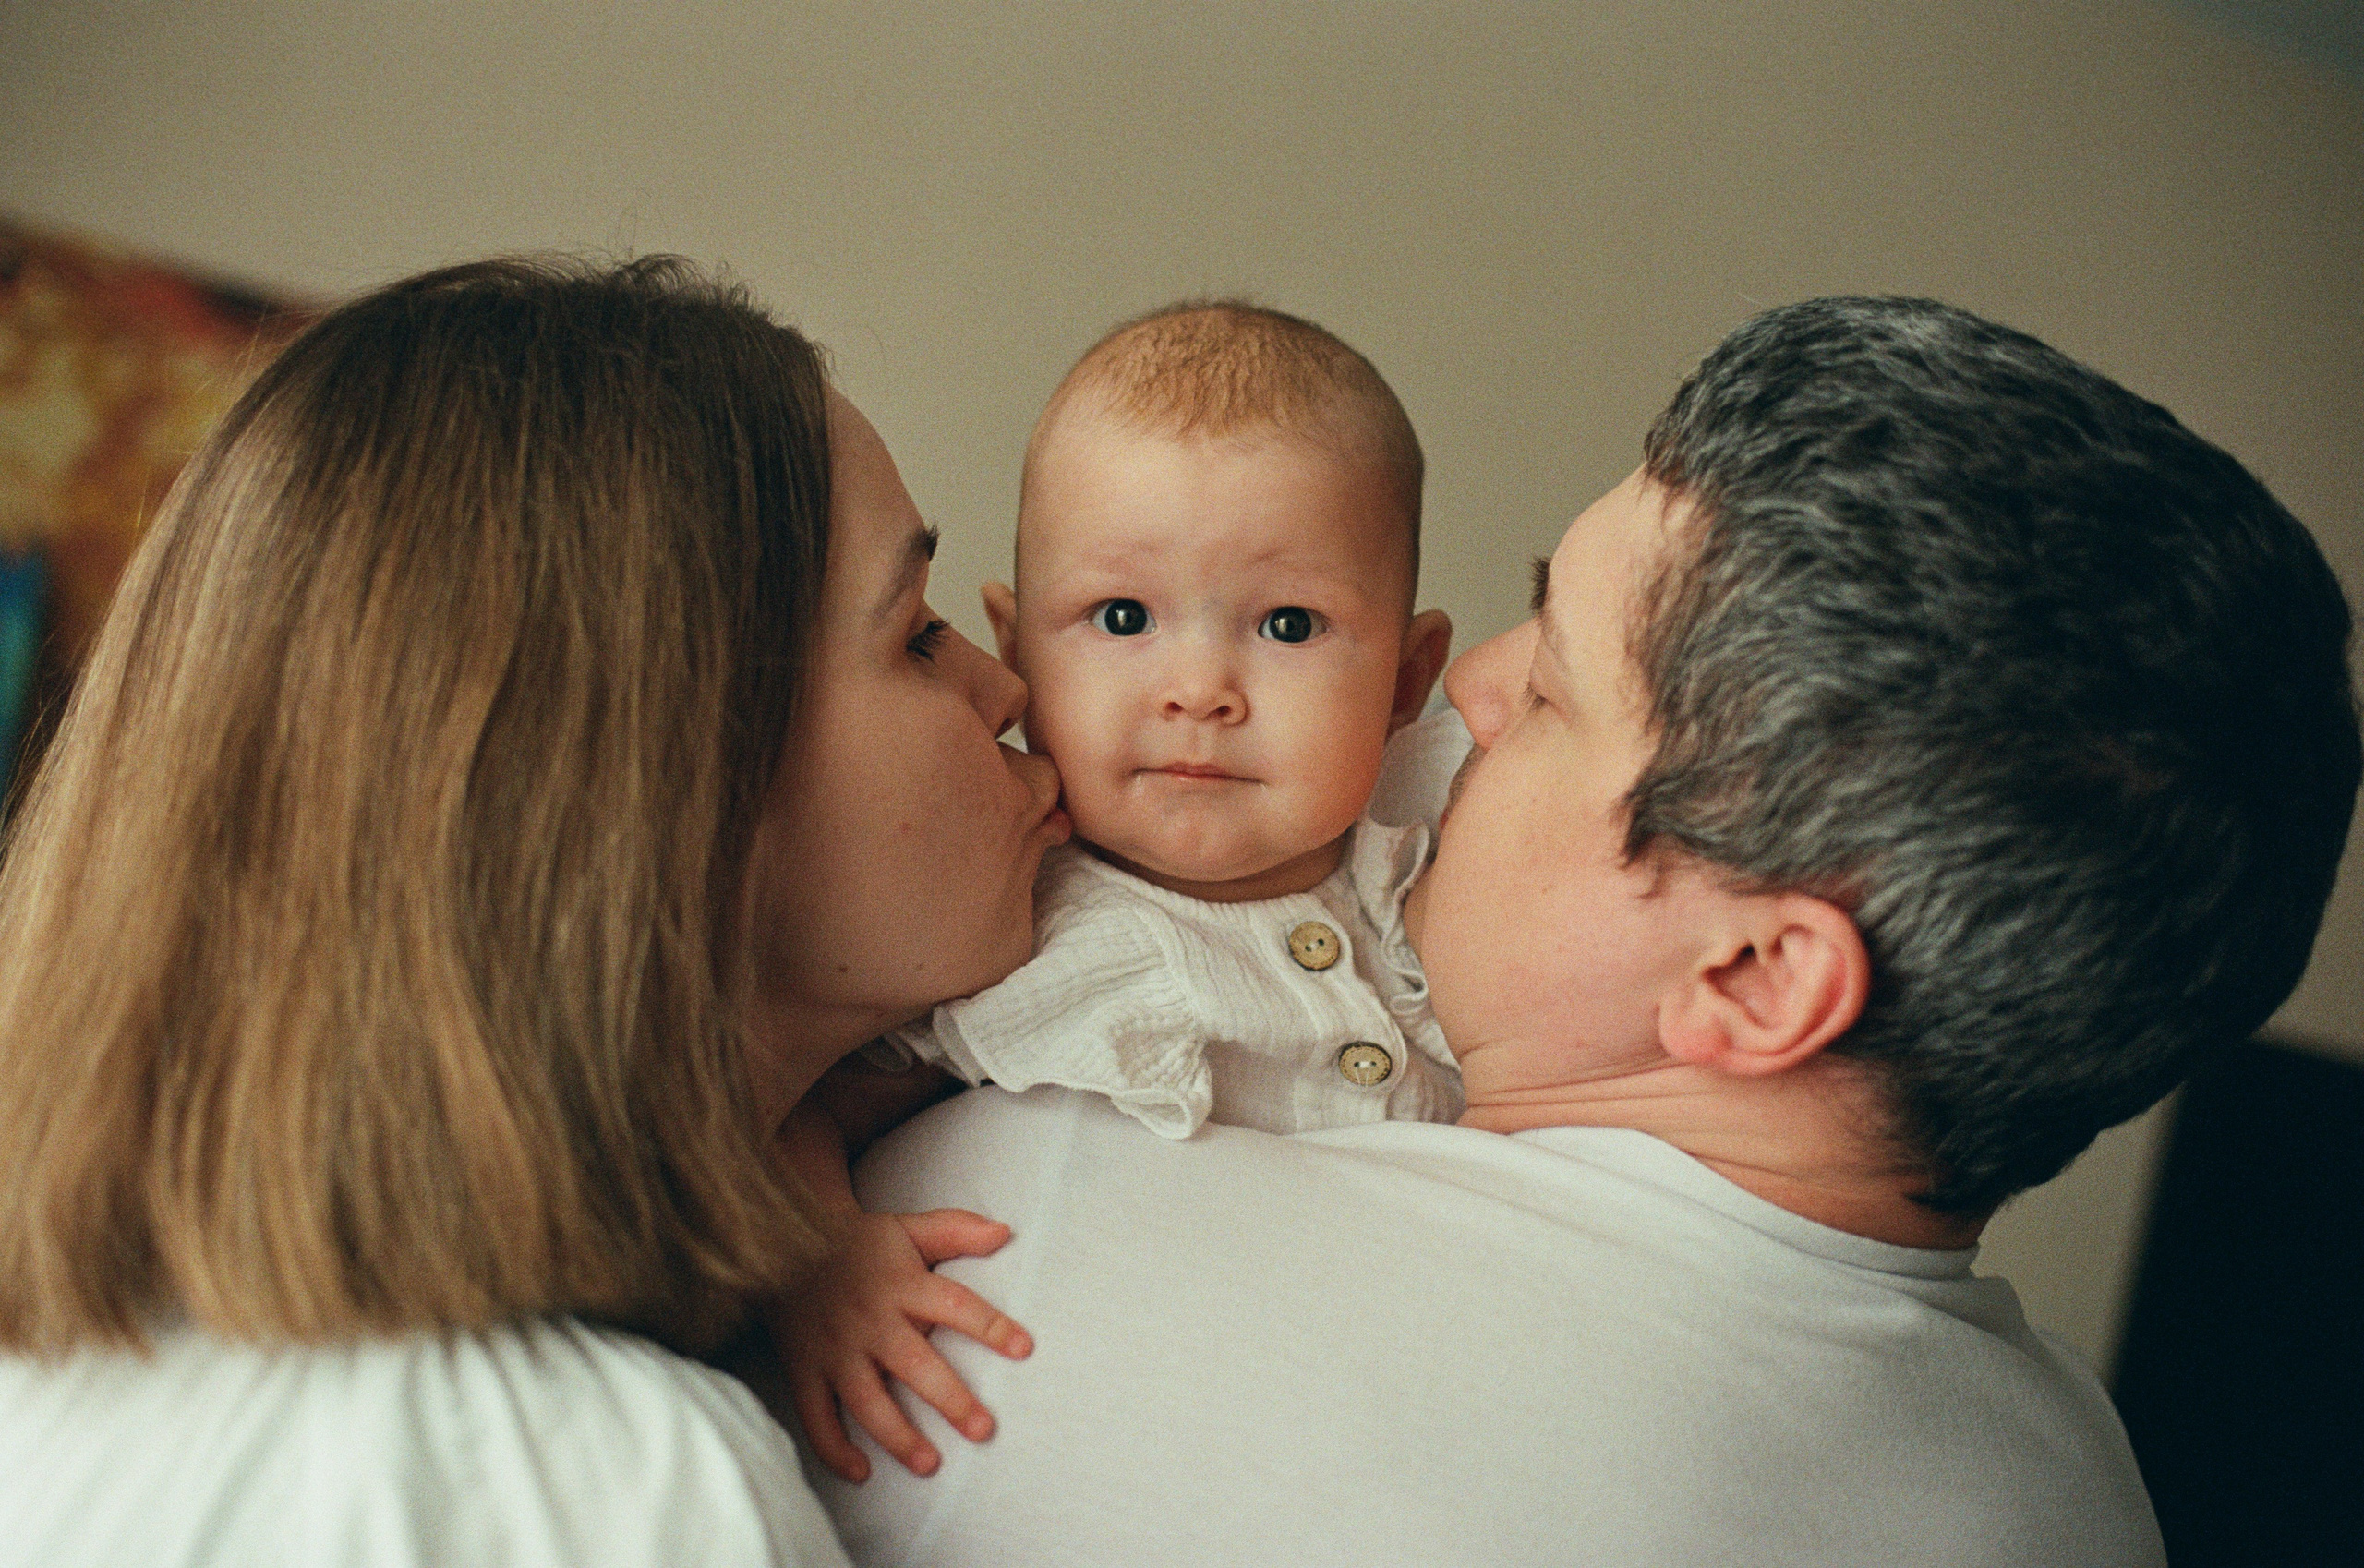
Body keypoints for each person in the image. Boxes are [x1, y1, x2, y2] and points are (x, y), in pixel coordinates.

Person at [810, 296, 2361, 1566]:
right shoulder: (2086, 1490)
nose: (1467, 690)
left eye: (1553, 694)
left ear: (1755, 977)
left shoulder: (1030, 1227)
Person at [0, 257, 1070, 1567]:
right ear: (659, 782)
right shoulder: (596, 1484)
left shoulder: (76, 1389)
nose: (1005, 690)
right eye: (912, 634)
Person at [776, 302, 1459, 1483]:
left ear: (1407, 678)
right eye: (1122, 618)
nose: (1198, 687)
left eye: (1287, 625)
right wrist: (823, 1263)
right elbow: (804, 1109)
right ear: (1018, 650)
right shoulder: (1011, 924)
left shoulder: (1436, 859)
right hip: (1214, 1437)